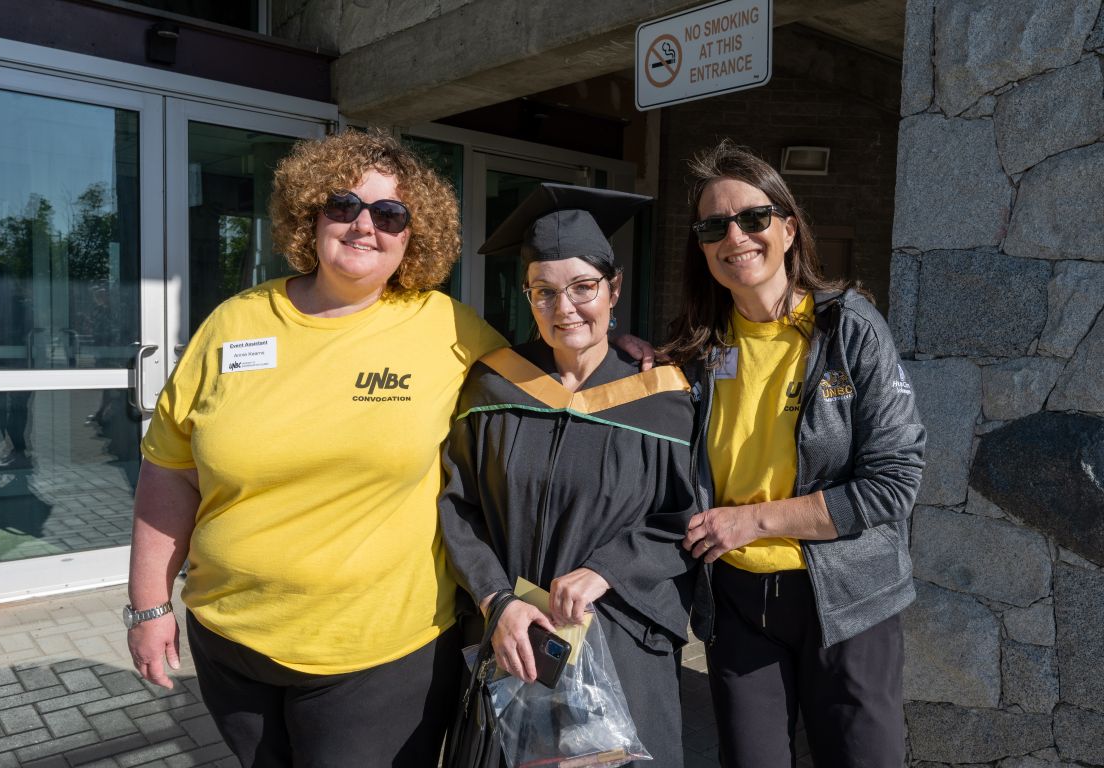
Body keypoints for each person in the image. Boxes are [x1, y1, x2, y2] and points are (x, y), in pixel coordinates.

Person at [126, 131, 656, 767]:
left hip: (378, 660)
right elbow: (169, 473)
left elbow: (550, 368)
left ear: (413, 235)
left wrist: (624, 354)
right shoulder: (234, 323)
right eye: (343, 205)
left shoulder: (448, 329)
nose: (363, 225)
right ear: (310, 213)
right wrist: (149, 606)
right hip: (229, 644)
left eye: (389, 213)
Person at [662, 140, 926, 768]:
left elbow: (894, 484)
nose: (736, 236)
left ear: (788, 227)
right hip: (738, 606)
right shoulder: (697, 349)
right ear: (701, 246)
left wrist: (752, 520)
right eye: (714, 226)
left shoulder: (848, 328)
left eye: (753, 218)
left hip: (849, 602)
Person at [439, 183, 697, 767]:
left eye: (583, 288)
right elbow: (458, 507)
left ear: (614, 289)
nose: (565, 309)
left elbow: (683, 521)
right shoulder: (493, 388)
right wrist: (496, 600)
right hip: (514, 636)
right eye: (544, 292)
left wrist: (607, 570)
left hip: (619, 642)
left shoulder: (661, 396)